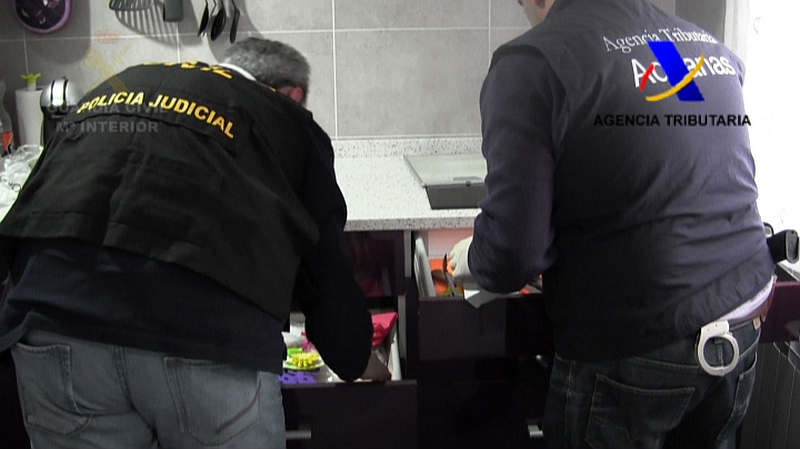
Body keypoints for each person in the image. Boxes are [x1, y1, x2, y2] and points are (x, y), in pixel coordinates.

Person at [0, 38, 377, 449]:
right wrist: (356, 357)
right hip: (206, 336)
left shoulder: (114, 89)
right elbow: (326, 278)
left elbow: (34, 206)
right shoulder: (287, 120)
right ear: (292, 95)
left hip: (52, 318)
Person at [448, 0, 775, 448]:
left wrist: (472, 258)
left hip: (637, 339)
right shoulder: (696, 45)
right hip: (741, 320)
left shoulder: (531, 62)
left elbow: (514, 254)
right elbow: (673, 165)